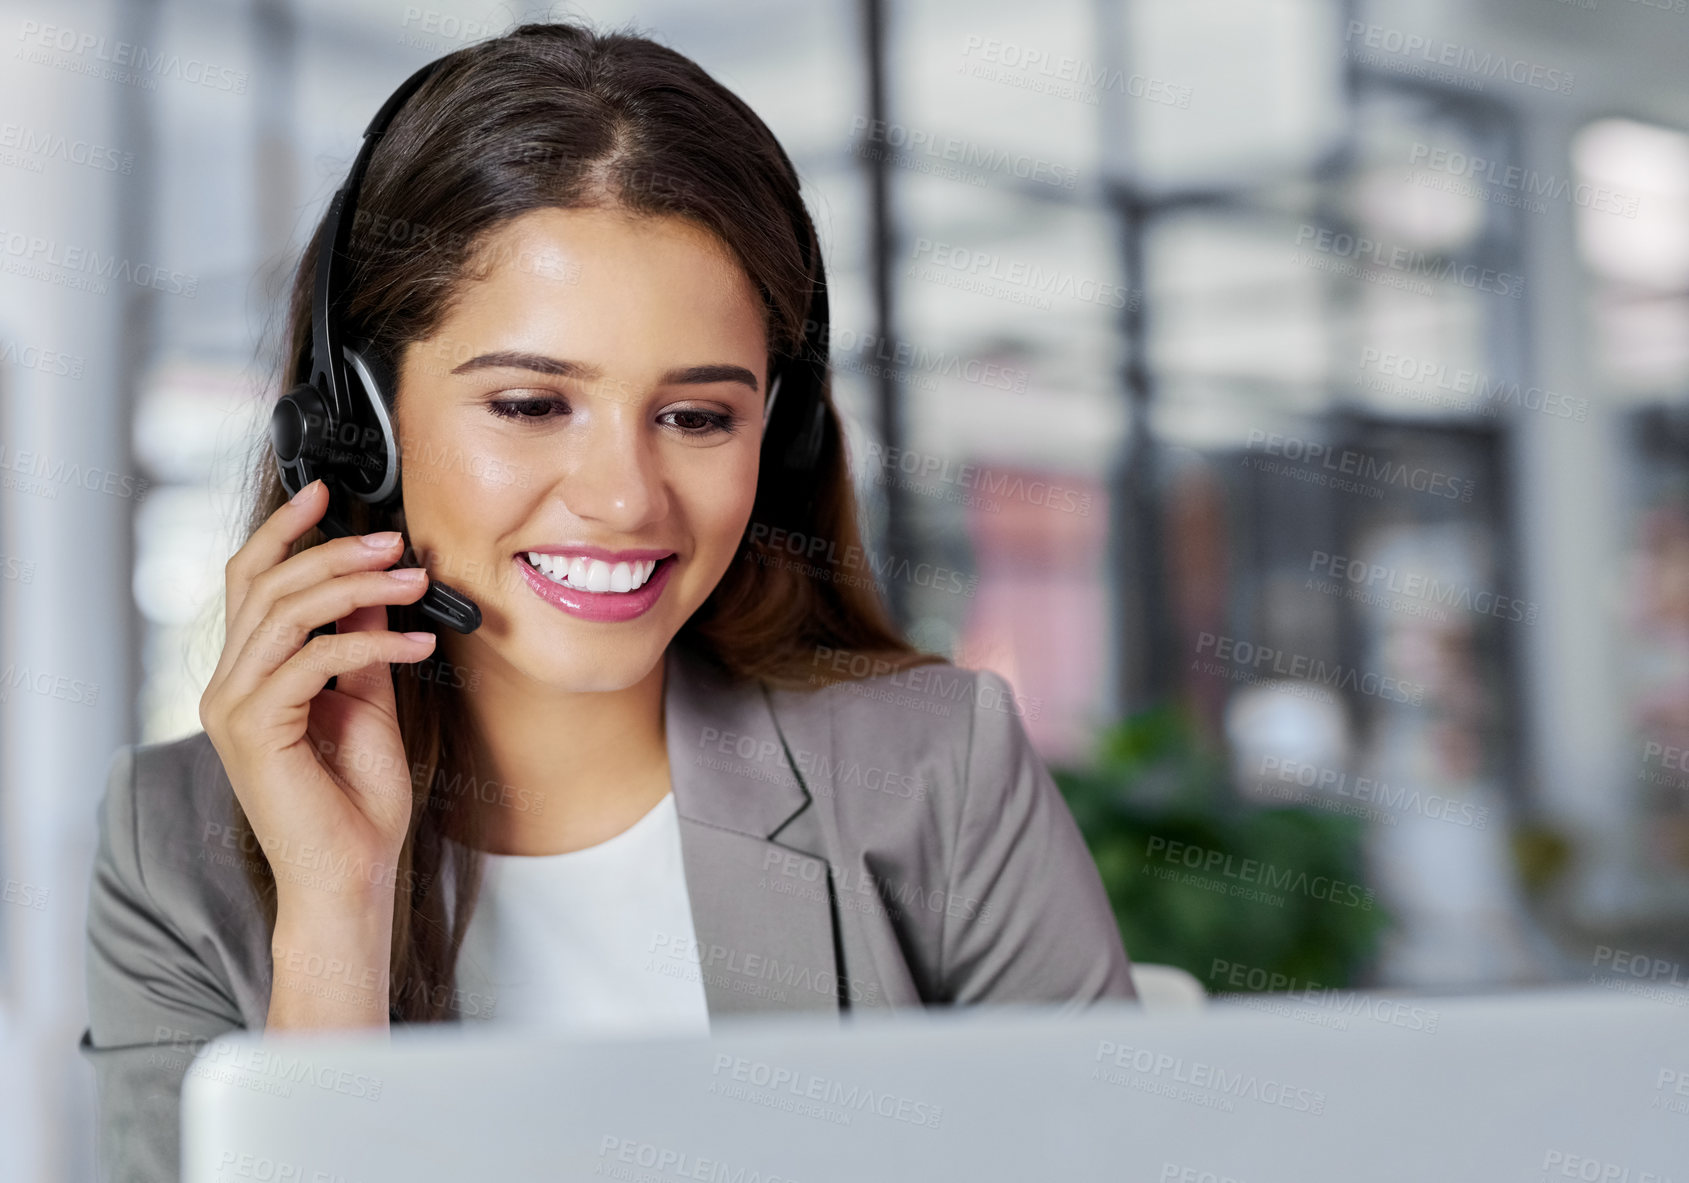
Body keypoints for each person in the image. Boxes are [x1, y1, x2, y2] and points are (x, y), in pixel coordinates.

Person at [79, 19, 1134, 1183]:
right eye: (531, 404)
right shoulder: (172, 847)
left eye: (696, 416)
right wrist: (337, 904)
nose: (625, 499)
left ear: (773, 439)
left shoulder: (933, 774)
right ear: (361, 426)